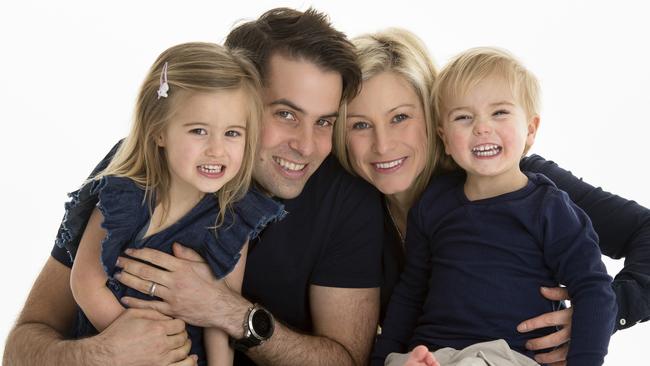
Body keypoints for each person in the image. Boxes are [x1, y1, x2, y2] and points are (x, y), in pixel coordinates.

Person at [3, 8, 383, 366]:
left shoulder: (347, 202)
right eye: (286, 114)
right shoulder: (143, 166)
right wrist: (109, 351)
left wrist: (228, 311)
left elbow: (347, 361)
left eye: (324, 122)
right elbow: (21, 346)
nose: (306, 145)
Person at [333, 28, 650, 365]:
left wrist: (596, 317)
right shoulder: (346, 206)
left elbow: (625, 249)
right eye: (360, 125)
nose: (383, 144)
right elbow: (405, 303)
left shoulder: (531, 188)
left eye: (400, 117)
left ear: (430, 117)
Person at [61, 42, 286, 366]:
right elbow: (85, 282)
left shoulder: (232, 217)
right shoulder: (127, 196)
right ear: (159, 132)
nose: (217, 150)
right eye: (199, 131)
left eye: (233, 133)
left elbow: (221, 313)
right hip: (118, 350)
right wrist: (139, 350)